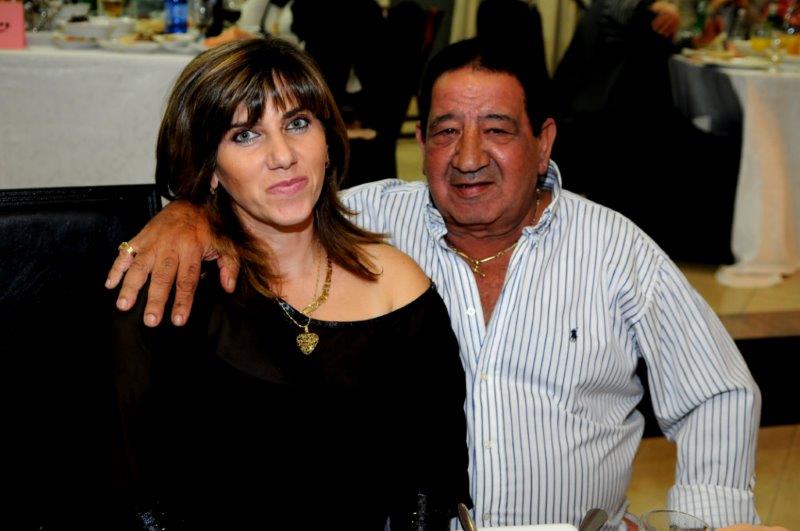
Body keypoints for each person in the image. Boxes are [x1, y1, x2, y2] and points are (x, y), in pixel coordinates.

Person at [107, 38, 781, 531]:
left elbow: (717, 392)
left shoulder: (615, 251)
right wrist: (183, 213)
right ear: (419, 140)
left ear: (544, 142)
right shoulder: (370, 220)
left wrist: (708, 519)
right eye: (445, 131)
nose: (468, 157)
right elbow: (267, 202)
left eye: (497, 130)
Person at [111, 37, 470, 530]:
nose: (282, 155)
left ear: (328, 142)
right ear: (210, 169)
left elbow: (430, 485)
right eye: (245, 135)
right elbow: (130, 495)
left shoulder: (400, 290)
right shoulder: (173, 292)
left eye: (298, 123)